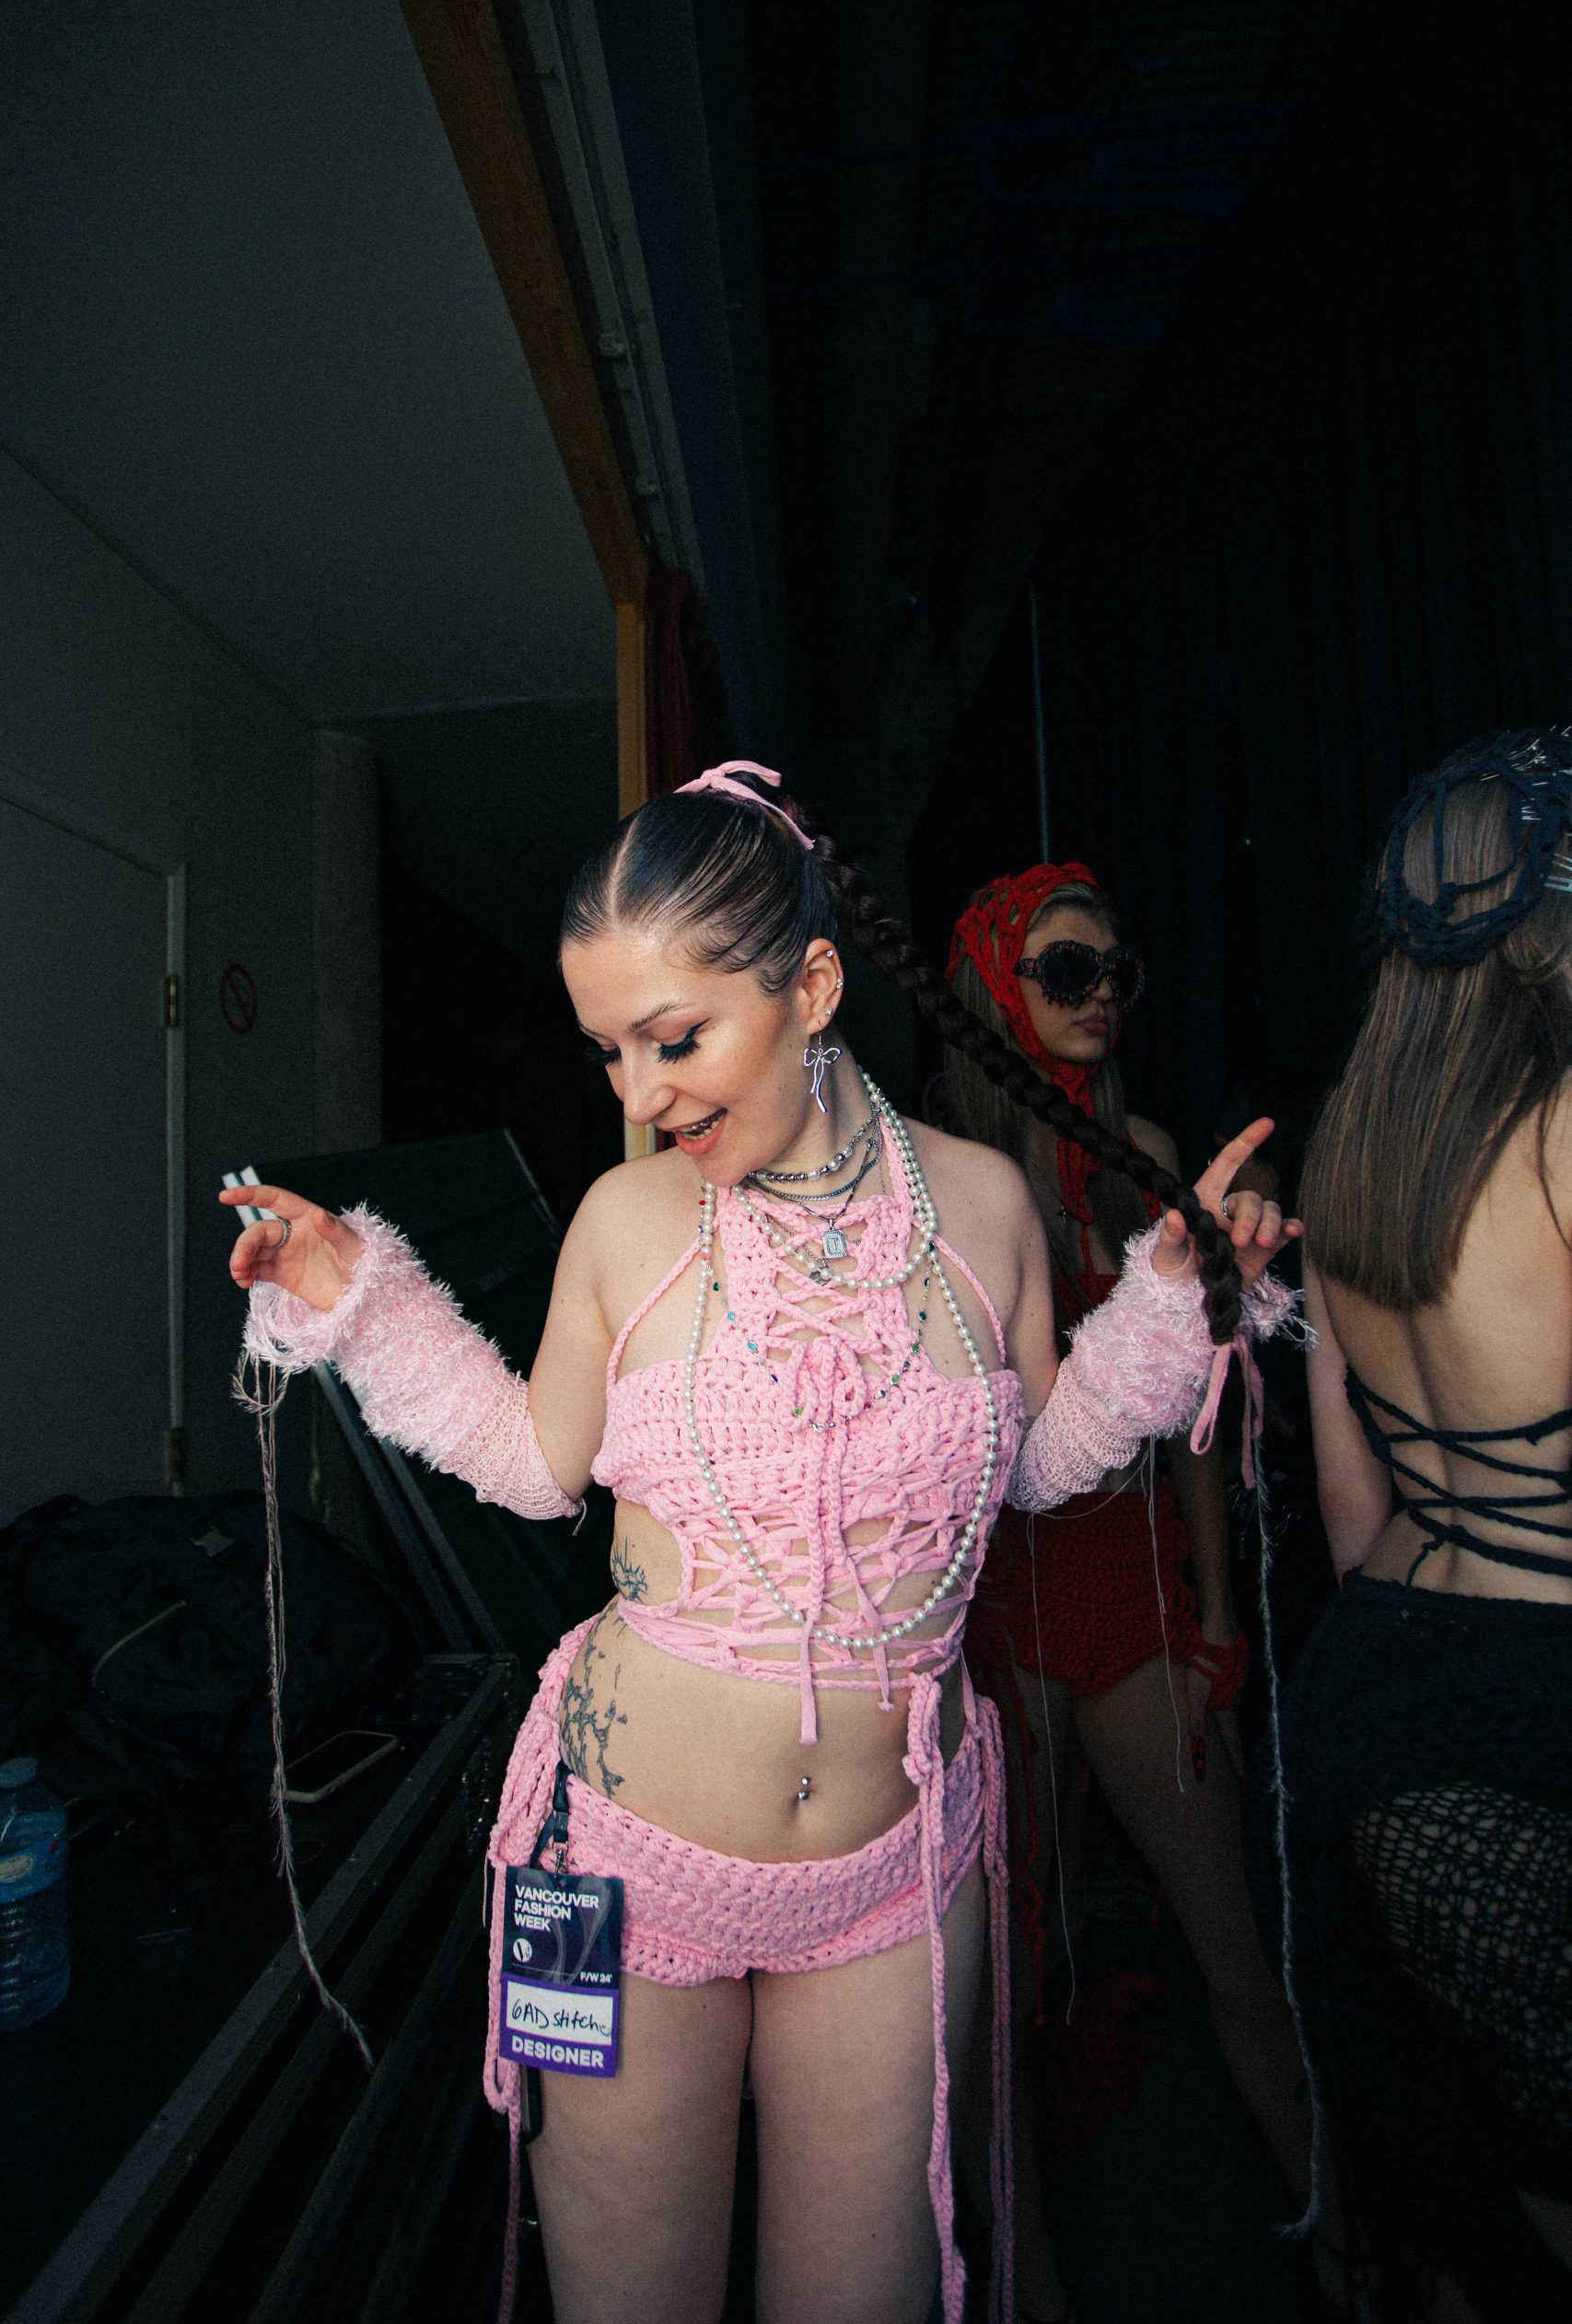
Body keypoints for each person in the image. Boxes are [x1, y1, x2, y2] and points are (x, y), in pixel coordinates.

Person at [224, 764, 1297, 2324]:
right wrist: (364, 1308)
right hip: (618, 1874)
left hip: (894, 1886)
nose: (641, 1092)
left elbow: (1032, 1467)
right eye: (610, 1050)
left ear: (814, 989)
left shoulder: (986, 1205)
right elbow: (533, 1466)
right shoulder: (624, 1220)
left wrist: (1168, 1310)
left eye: (675, 1040)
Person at [943, 864, 1312, 2319]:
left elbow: (1192, 1421)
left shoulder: (1149, 1151)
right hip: (995, 1603)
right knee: (1001, 1989)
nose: (1101, 996)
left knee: (1239, 1953)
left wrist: (1215, 1611)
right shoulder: (949, 1180)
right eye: (1065, 970)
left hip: (1131, 1590)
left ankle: (1342, 2239)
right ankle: (1022, 2289)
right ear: (996, 989)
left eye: (1116, 971)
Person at [1289, 730, 1572, 2323]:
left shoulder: (1351, 1147)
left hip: (1382, 1699)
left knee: (1476, 2192)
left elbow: (1351, 1516)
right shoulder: (1569, 1129)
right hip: (1545, 1700)